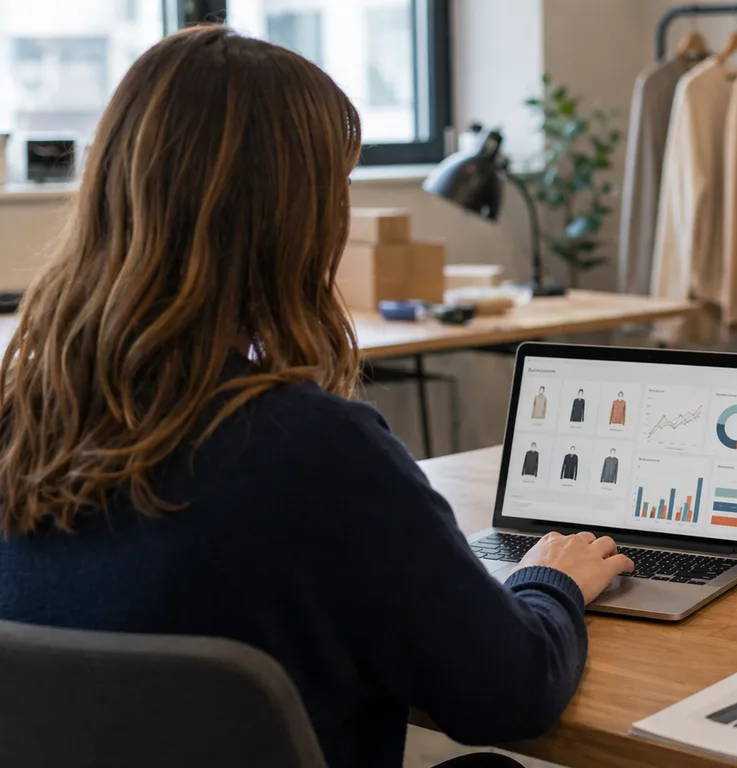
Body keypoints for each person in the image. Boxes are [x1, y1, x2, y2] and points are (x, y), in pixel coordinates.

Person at [0, 26, 631, 768]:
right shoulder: (311, 448)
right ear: (299, 223)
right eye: (337, 191)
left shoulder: (25, 418)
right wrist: (549, 579)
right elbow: (510, 692)